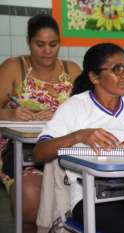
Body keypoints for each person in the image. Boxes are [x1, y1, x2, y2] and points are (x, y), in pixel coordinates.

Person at [32, 43, 124, 233]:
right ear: (94, 77)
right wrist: (79, 135)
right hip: (92, 198)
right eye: (117, 69)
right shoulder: (75, 107)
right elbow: (39, 153)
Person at [0, 14, 81, 233]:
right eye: (40, 44)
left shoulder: (71, 70)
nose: (47, 51)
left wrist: (59, 114)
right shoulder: (14, 67)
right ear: (28, 42)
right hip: (21, 153)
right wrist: (10, 114)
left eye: (53, 44)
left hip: (65, 150)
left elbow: (88, 108)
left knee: (80, 196)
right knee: (30, 197)